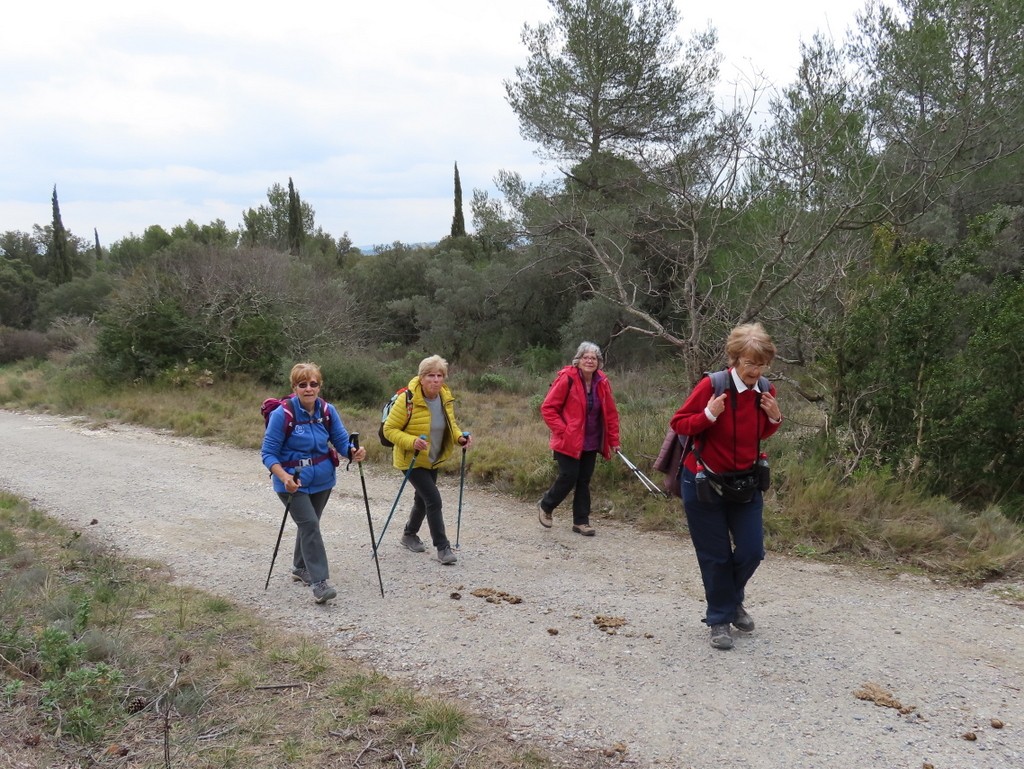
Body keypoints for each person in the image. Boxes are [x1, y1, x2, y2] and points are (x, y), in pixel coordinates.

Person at [670, 323, 783, 650]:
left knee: (751, 550)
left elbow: (760, 431)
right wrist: (707, 414)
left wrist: (775, 419)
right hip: (704, 481)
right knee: (715, 555)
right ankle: (720, 618)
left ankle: (731, 601)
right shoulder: (712, 385)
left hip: (745, 483)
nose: (755, 370)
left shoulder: (765, 391)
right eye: (749, 363)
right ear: (734, 360)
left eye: (761, 364)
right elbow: (679, 423)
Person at [261, 362, 366, 604]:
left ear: (320, 386)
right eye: (302, 384)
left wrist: (353, 452)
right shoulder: (283, 415)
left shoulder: (328, 411)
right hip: (292, 482)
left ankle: (300, 567)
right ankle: (320, 583)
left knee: (310, 523)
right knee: (310, 525)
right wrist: (284, 476)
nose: (308, 388)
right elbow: (268, 453)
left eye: (313, 384)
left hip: (323, 479)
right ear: (294, 387)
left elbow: (340, 440)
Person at [382, 355, 473, 565]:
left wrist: (460, 437)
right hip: (411, 459)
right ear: (421, 378)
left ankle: (409, 535)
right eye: (431, 375)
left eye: (440, 375)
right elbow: (389, 430)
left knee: (422, 500)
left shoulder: (444, 397)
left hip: (433, 458)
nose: (436, 380)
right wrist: (411, 441)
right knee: (433, 499)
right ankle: (443, 548)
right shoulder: (408, 399)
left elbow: (450, 424)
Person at [538, 341, 621, 536]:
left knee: (584, 480)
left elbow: (611, 413)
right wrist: (564, 430)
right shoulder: (567, 378)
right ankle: (546, 505)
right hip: (567, 440)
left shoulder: (602, 381)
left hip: (591, 440)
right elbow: (548, 408)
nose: (590, 361)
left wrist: (614, 440)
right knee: (569, 476)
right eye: (586, 357)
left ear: (599, 362)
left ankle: (581, 522)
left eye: (593, 358)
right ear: (578, 360)